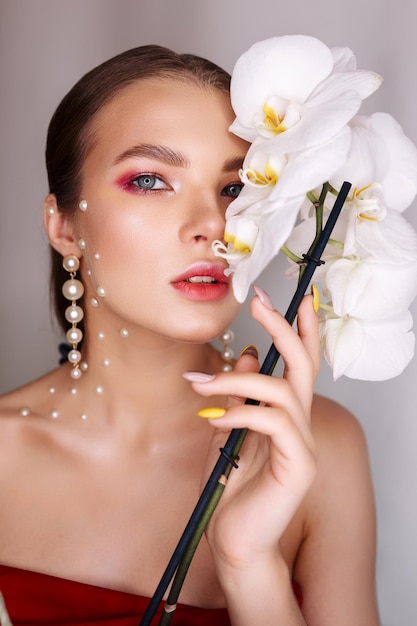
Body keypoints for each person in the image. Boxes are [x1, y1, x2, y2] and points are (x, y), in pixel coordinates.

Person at [0, 44, 379, 625]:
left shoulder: (320, 447)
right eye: (151, 180)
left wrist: (249, 564)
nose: (212, 225)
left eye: (234, 190)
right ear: (63, 225)